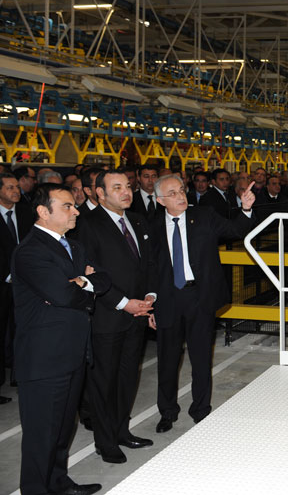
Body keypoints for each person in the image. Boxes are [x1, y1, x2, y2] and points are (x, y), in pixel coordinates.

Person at [13, 183, 110, 495]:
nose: (76, 211)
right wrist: (84, 284)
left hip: (72, 353)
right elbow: (62, 295)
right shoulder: (31, 252)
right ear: (43, 213)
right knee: (42, 434)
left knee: (63, 429)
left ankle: (58, 483)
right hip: (44, 360)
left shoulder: (74, 246)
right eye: (67, 206)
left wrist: (81, 281)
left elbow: (103, 279)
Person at [149, 175, 256, 433]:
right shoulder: (150, 226)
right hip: (167, 300)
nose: (181, 196)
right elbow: (148, 269)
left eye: (181, 190)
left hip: (199, 297)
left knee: (200, 357)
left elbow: (235, 230)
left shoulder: (204, 216)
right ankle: (167, 411)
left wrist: (246, 209)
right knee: (167, 360)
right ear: (161, 200)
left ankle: (201, 409)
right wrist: (149, 301)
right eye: (172, 193)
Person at [76, 171, 156, 464]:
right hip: (108, 318)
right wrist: (124, 304)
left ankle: (122, 431)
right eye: (117, 187)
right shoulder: (87, 225)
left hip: (136, 316)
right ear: (99, 193)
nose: (126, 192)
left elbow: (147, 264)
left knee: (127, 379)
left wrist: (150, 298)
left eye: (128, 187)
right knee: (104, 383)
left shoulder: (136, 221)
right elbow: (91, 273)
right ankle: (105, 441)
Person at [0, 172, 33, 402]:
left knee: (22, 329)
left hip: (25, 282)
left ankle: (18, 374)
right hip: (2, 283)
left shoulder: (25, 212)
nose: (16, 191)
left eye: (16, 187)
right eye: (10, 187)